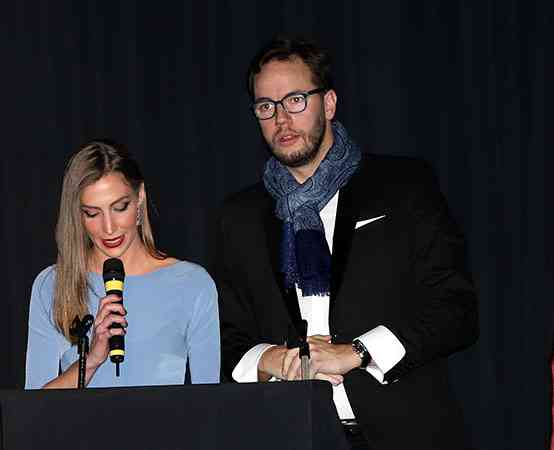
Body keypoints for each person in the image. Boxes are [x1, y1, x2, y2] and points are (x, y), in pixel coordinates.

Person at [213, 36, 478, 450]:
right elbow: (222, 337)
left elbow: (455, 309)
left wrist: (356, 351)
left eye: (295, 100)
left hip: (405, 432)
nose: (281, 118)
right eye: (266, 106)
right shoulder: (239, 217)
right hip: (289, 433)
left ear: (329, 103)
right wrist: (271, 360)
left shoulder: (403, 187)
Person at [25, 141, 220, 389]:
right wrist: (91, 360)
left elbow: (209, 399)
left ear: (140, 198)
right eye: (92, 213)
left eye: (120, 207)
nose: (109, 228)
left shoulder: (192, 284)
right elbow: (34, 405)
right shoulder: (52, 285)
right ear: (77, 215)